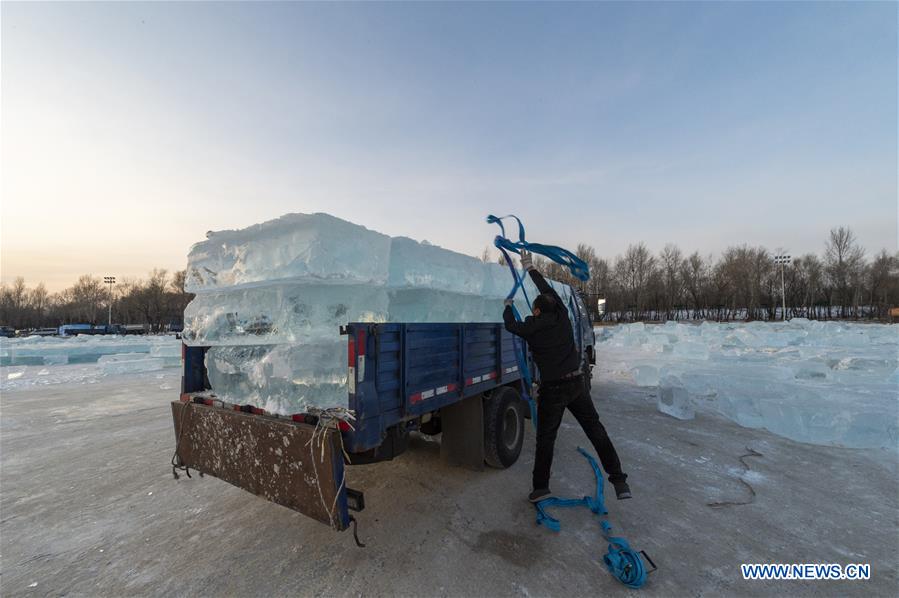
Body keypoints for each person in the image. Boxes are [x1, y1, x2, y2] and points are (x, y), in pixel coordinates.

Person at [502, 250, 631, 502]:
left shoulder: (530, 328)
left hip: (553, 390)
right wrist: (530, 268)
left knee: (546, 440)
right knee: (596, 431)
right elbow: (546, 289)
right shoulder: (561, 317)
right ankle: (619, 480)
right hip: (576, 384)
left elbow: (511, 325)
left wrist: (507, 308)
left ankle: (541, 488)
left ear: (536, 311)